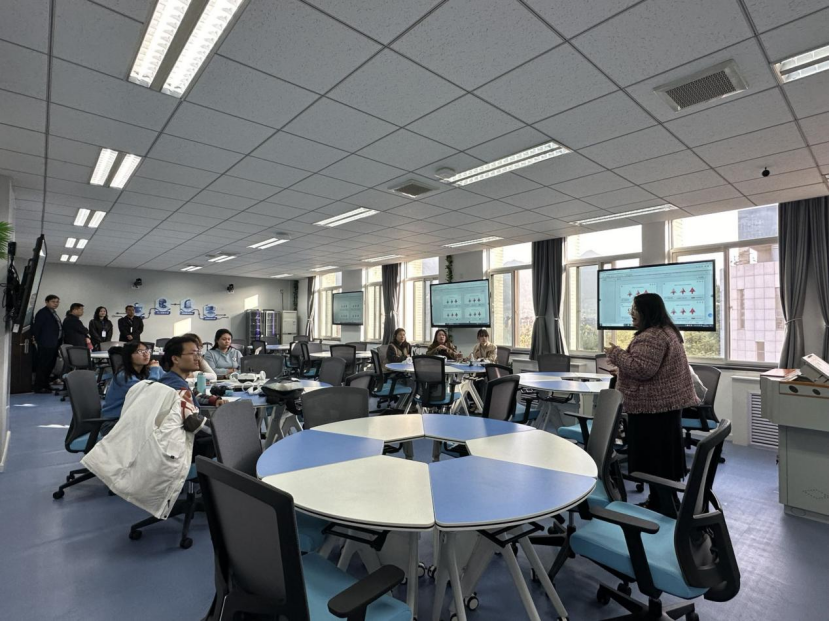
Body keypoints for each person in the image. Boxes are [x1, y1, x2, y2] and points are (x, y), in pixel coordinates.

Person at [604, 293, 699, 511]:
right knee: (664, 461)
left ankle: (663, 508)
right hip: (665, 408)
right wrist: (622, 371)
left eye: (635, 310)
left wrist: (616, 354)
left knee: (654, 462)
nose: (632, 314)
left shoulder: (651, 337)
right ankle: (663, 502)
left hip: (652, 410)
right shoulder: (667, 331)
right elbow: (652, 368)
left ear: (647, 311)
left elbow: (642, 369)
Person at [159, 336, 223, 432]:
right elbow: (193, 422)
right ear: (175, 359)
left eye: (198, 353)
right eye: (192, 353)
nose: (197, 358)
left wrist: (212, 399)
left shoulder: (172, 379)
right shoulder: (175, 385)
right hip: (186, 438)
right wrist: (222, 431)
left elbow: (191, 395)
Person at [101, 342, 163, 429]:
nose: (146, 354)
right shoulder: (123, 376)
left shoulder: (145, 372)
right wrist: (155, 369)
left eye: (147, 350)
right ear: (129, 356)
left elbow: (167, 380)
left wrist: (159, 369)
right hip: (114, 423)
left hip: (130, 418)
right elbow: (148, 391)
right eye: (140, 351)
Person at [32, 294, 62, 393]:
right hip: (46, 344)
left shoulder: (53, 313)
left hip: (54, 343)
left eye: (57, 302)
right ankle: (39, 387)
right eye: (53, 301)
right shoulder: (42, 313)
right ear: (46, 302)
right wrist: (40, 342)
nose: (56, 304)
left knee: (50, 366)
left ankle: (46, 385)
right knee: (43, 366)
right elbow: (37, 329)